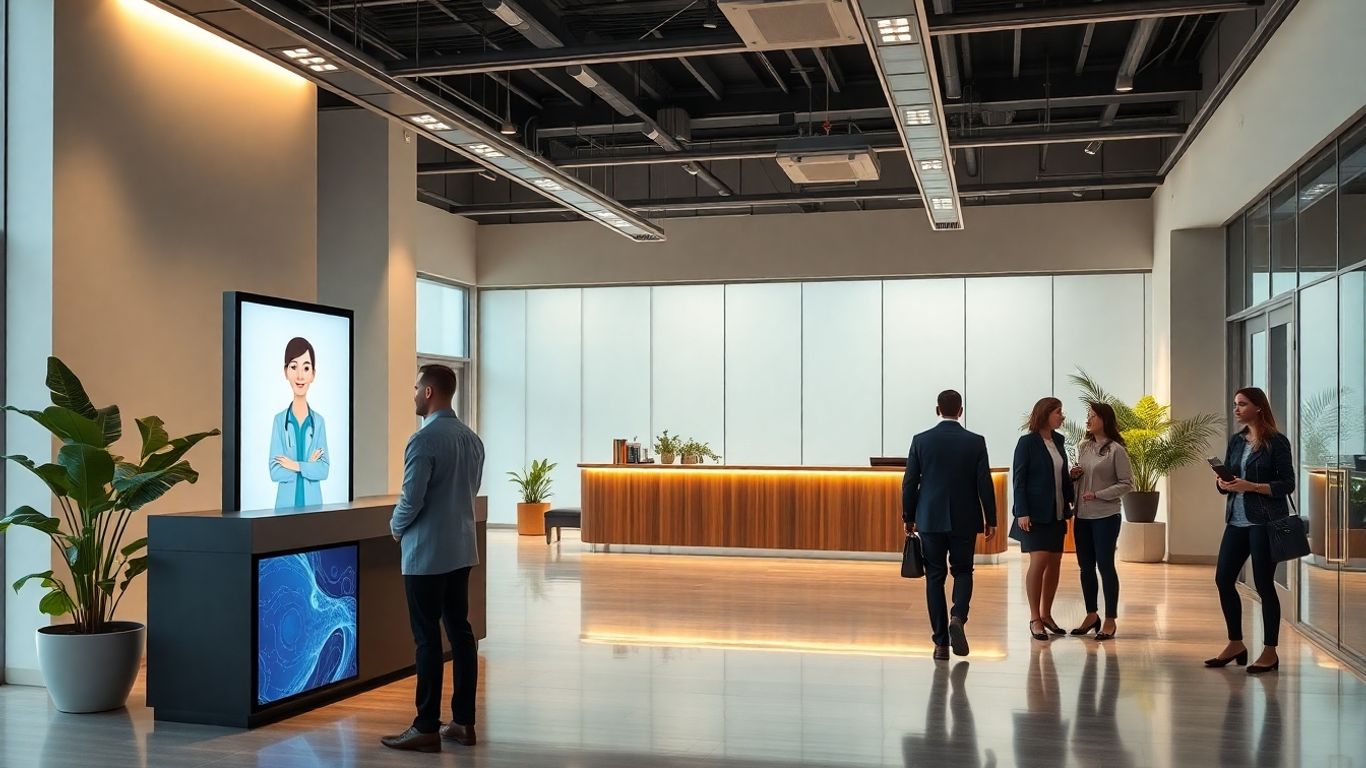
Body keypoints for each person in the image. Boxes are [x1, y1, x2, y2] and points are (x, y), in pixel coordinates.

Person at [381, 365, 486, 752]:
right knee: (460, 634)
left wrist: (395, 527)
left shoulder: (423, 441)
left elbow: (412, 499)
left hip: (426, 555)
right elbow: (468, 491)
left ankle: (426, 726)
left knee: (426, 640)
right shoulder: (472, 440)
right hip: (461, 550)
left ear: (428, 392)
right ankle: (463, 723)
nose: (412, 393)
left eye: (415, 387)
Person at [902, 390, 997, 661]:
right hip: (965, 518)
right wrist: (991, 519)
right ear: (961, 411)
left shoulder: (921, 440)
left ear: (937, 410)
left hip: (930, 518)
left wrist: (909, 517)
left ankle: (941, 644)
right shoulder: (975, 442)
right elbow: (984, 483)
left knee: (934, 576)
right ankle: (958, 617)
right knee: (963, 570)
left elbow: (909, 483)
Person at [1207, 386, 1294, 675]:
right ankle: (1235, 643)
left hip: (1264, 522)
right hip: (1236, 520)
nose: (1236, 409)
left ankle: (1270, 652)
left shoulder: (1276, 442)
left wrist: (1252, 486)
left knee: (1264, 585)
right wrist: (1222, 483)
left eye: (1242, 404)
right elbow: (1231, 477)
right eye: (1235, 404)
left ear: (1258, 407)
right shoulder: (1236, 440)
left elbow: (1287, 484)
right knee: (1223, 579)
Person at [1010, 397, 1075, 642]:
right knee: (1039, 562)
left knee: (1055, 562)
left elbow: (1059, 476)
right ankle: (1035, 618)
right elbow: (1019, 480)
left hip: (1056, 512)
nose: (1062, 416)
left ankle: (1047, 615)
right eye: (1058, 412)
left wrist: (1072, 481)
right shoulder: (1027, 443)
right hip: (1034, 514)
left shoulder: (1058, 440)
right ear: (1045, 414)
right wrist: (1022, 511)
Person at [1068, 402, 1133, 640]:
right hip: (1082, 516)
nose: (1088, 420)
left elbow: (1127, 483)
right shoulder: (1083, 447)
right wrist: (1073, 476)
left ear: (1104, 419)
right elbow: (1081, 480)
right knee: (1085, 567)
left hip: (1106, 516)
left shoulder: (1116, 450)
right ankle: (1091, 614)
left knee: (1105, 566)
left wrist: (1098, 494)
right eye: (1087, 415)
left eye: (1093, 416)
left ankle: (1110, 619)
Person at [269, 337, 329, 509]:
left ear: (313, 374)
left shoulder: (319, 422)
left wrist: (295, 465)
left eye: (306, 368)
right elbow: (275, 472)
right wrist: (308, 466)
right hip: (284, 509)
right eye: (294, 367)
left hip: (313, 509)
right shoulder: (279, 421)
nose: (300, 376)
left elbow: (323, 470)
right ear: (286, 372)